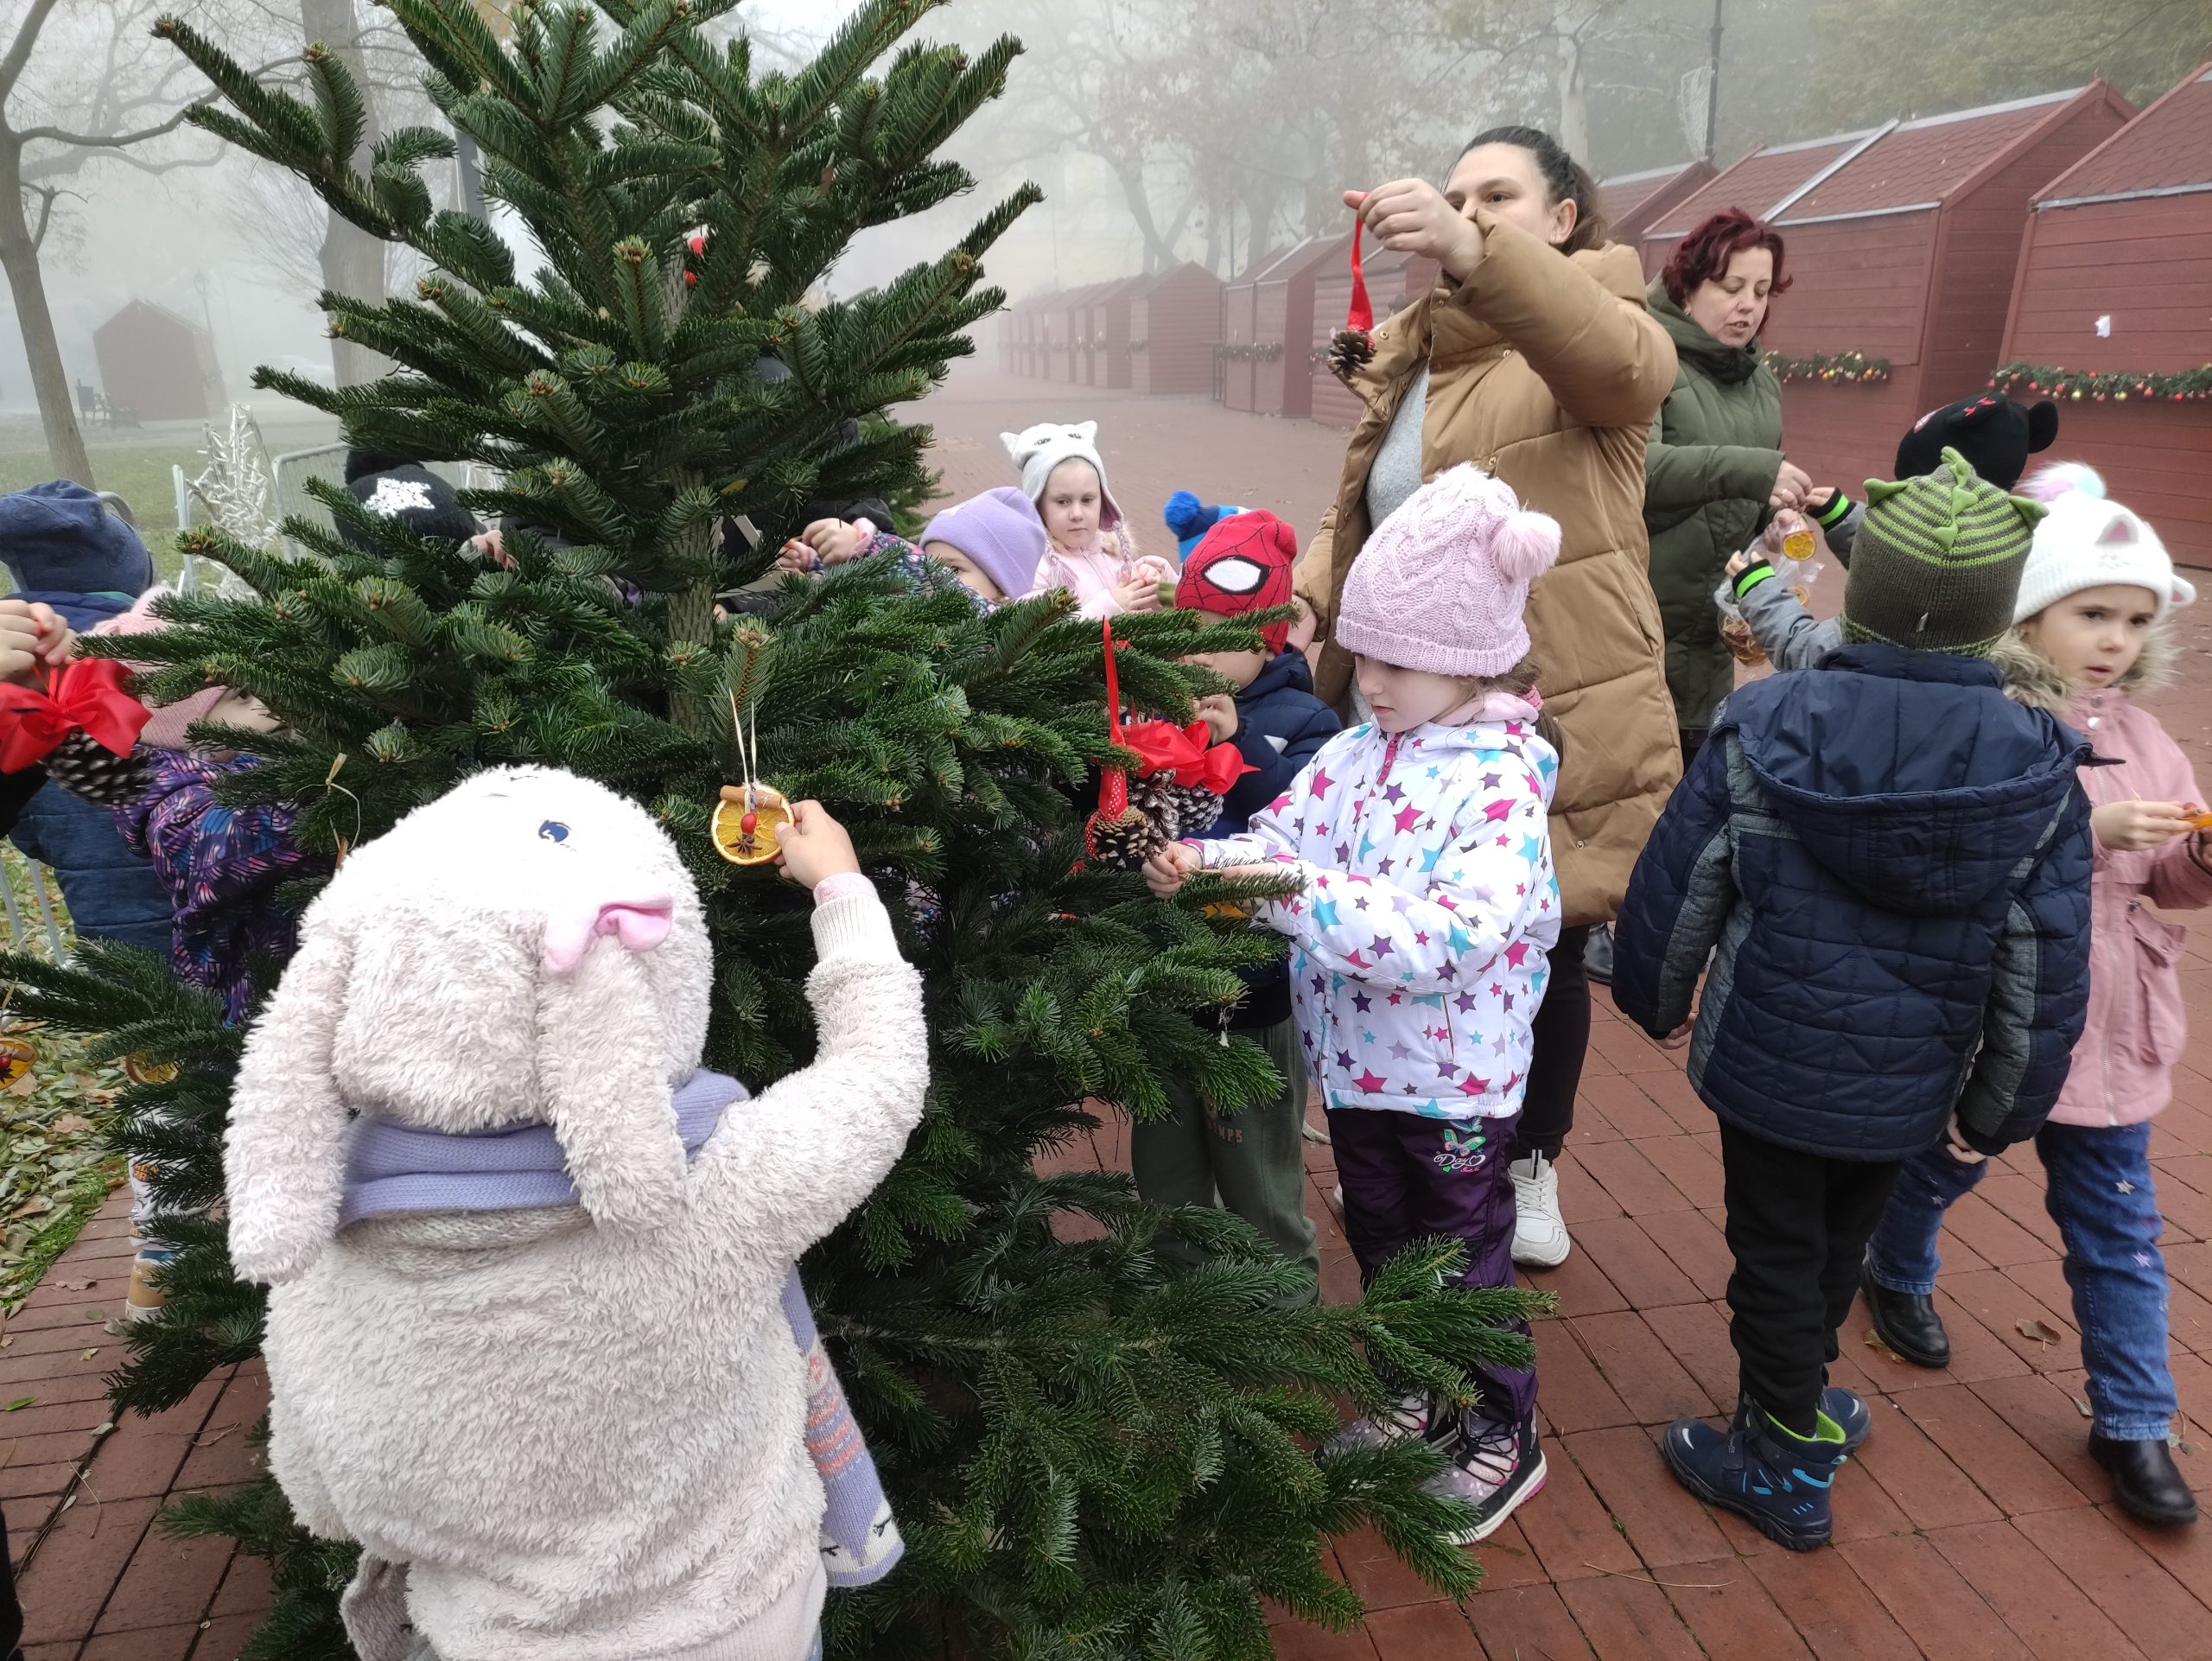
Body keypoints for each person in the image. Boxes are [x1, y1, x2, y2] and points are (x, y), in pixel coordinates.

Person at [1611, 449, 2090, 1550]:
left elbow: (1682, 880)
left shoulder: (1771, 719)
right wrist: (1997, 1105)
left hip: (1767, 1056)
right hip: (1914, 1074)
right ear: (1995, 622)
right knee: (1835, 1242)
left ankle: (1778, 1457)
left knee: (1774, 1251)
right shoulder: (2038, 768)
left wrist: (1652, 990)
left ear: (1862, 596)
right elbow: (2047, 960)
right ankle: (1797, 1395)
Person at [1148, 467, 1565, 1541]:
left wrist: (1284, 892)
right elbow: (1286, 838)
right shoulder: (1353, 752)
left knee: (1461, 1255)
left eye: (1398, 660)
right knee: (1381, 1237)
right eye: (1364, 653)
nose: (1369, 679)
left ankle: (1497, 1432)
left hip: (1456, 1079)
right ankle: (1415, 1396)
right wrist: (1213, 858)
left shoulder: (1499, 782)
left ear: (1470, 657)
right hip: (1364, 1068)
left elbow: (1446, 933)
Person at [1297, 124, 1680, 1270]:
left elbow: (1617, 366)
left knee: (1544, 938)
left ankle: (1528, 1158)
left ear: (1563, 218)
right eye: (1458, 196)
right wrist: (1311, 600)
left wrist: (1474, 247)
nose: (1469, 209)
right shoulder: (1416, 353)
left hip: (1554, 703)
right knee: (1415, 913)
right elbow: (1357, 508)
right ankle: (1415, 1111)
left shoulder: (1603, 327)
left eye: (1500, 195)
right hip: (1413, 703)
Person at [1861, 468, 2202, 1528]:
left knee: (2116, 1221)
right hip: (2005, 1019)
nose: (2112, 638)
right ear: (2030, 611)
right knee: (1947, 1161)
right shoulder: (1995, 720)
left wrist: (2196, 858)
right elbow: (1959, 850)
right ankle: (1896, 1256)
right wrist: (2085, 835)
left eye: (2133, 619)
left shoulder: (2145, 738)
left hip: (2111, 1020)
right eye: (2091, 611)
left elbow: (2170, 878)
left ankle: (2135, 1418)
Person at [1130, 509, 1335, 1296]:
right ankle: (1179, 1296)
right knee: (1166, 1161)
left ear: (1269, 641)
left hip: (1254, 990)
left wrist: (1239, 746)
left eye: (1219, 636)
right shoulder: (1156, 705)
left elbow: (1305, 827)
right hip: (1163, 978)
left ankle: (1284, 1304)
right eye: (1186, 632)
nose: (1195, 654)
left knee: (1258, 1168)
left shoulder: (1303, 724)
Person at [1642, 209, 1818, 760]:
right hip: (1635, 632)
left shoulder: (1760, 380)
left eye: (1763, 291)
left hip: (1707, 641)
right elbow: (1636, 472)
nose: (1750, 305)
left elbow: (1740, 494)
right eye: (1732, 286)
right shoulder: (1644, 354)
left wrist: (1774, 518)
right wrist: (1752, 471)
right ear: (1687, 287)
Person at [1725, 392, 2063, 672]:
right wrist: (1841, 516)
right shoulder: (1991, 575)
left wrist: (1759, 590)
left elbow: (1797, 643)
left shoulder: (1851, 652)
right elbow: (1908, 561)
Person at [0, 481, 172, 957]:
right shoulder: (161, 656)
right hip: (212, 908)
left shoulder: (17, 693)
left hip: (107, 933)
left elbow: (29, 832)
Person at [776, 487, 1047, 611]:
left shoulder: (997, 619)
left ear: (1001, 590)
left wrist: (869, 547)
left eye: (954, 569)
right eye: (928, 560)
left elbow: (922, 576)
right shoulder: (920, 603)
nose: (934, 574)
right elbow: (884, 583)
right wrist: (814, 561)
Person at [1003, 420, 1175, 615]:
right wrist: (1111, 607)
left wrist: (1151, 584)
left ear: (1103, 502)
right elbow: (1041, 636)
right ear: (1038, 506)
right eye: (1062, 502)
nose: (1077, 514)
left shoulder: (1112, 553)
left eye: (1087, 500)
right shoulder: (1035, 569)